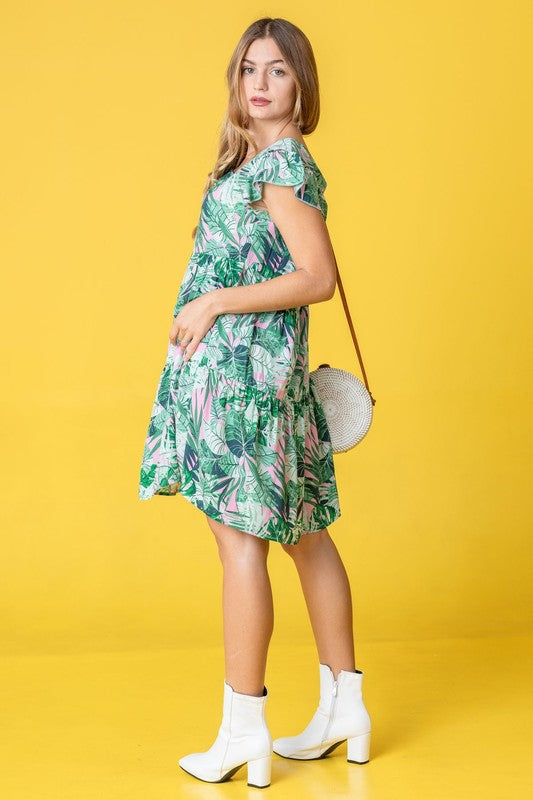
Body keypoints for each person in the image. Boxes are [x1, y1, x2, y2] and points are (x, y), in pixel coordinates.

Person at [138, 16, 371, 788]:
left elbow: (315, 278)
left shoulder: (281, 165)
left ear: (301, 83)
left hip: (244, 380)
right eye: (248, 69)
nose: (260, 82)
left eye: (276, 69)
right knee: (305, 531)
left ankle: (244, 727)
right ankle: (344, 706)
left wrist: (211, 306)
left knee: (241, 546)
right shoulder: (259, 163)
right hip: (255, 373)